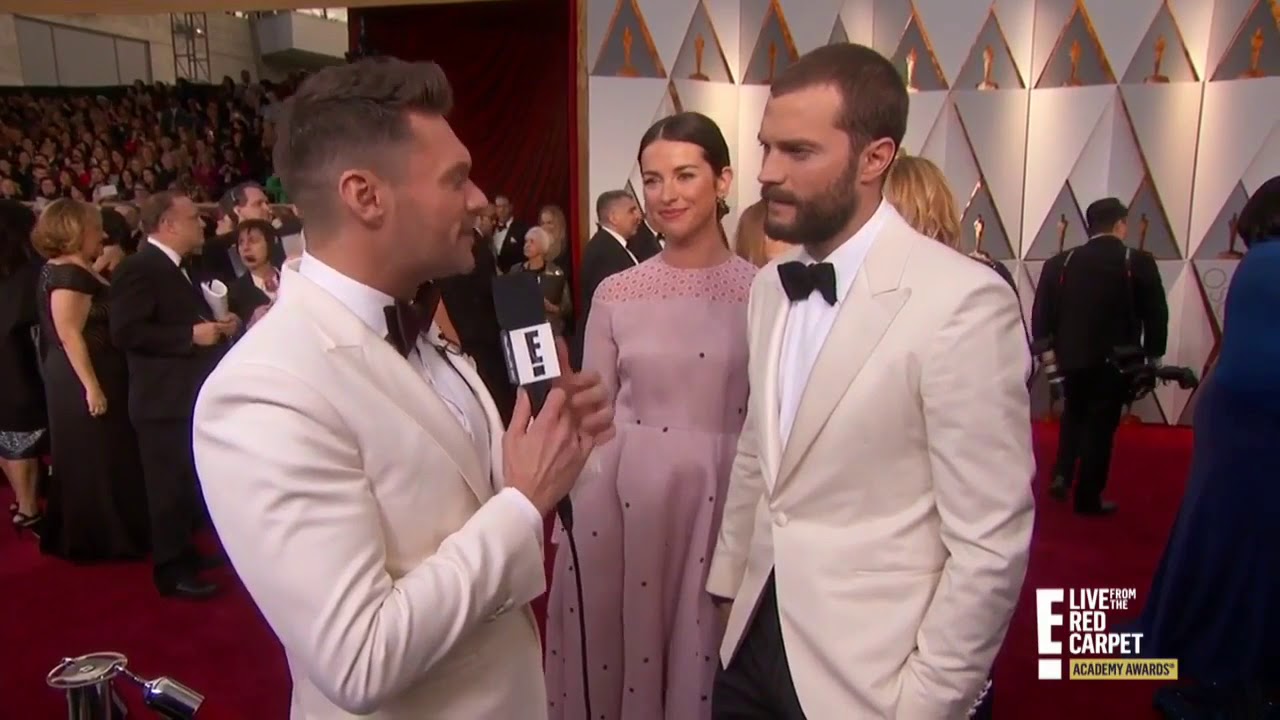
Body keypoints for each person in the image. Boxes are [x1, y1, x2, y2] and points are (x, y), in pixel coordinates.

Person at [191, 57, 615, 719]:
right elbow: (359, 660)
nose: (479, 199)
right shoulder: (262, 389)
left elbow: (458, 501)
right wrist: (524, 502)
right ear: (365, 195)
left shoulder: (419, 326)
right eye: (456, 179)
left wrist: (550, 451)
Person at [706, 43, 1034, 719]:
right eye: (766, 148)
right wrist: (728, 590)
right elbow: (756, 454)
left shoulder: (961, 302)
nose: (767, 173)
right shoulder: (770, 286)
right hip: (753, 646)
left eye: (798, 152)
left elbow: (990, 540)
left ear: (875, 157)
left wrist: (929, 701)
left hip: (871, 676)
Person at [545, 111, 756, 719]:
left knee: (704, 656)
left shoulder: (762, 290)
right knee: (618, 659)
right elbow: (596, 414)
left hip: (719, 497)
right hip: (620, 499)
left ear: (723, 181)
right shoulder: (617, 292)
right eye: (652, 180)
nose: (666, 195)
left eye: (684, 175)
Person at [1137, 176, 1280, 720]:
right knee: (1253, 546)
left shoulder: (1257, 264)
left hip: (1238, 419)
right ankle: (1236, 669)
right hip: (1261, 423)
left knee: (1226, 534)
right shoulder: (1272, 266)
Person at [109, 191, 239, 600]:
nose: (201, 224)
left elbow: (181, 317)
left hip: (186, 395)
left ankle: (186, 553)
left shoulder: (184, 267)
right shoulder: (138, 267)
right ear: (167, 225)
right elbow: (126, 332)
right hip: (161, 401)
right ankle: (171, 570)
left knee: (186, 484)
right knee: (167, 488)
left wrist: (218, 324)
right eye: (192, 218)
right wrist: (189, 335)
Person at [1031, 197, 1168, 515]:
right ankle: (1088, 497)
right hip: (1116, 362)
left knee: (1073, 414)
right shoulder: (1138, 261)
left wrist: (1049, 360)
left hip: (1070, 359)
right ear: (1121, 225)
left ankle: (1062, 473)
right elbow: (1156, 314)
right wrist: (1153, 359)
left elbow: (1042, 316)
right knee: (1101, 428)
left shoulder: (1059, 263)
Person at [33, 199, 149, 560]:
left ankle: (102, 532)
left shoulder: (69, 267)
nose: (100, 233)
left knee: (100, 454)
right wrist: (93, 388)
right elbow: (70, 333)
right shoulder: (69, 275)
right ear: (76, 231)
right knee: (96, 456)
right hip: (83, 378)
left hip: (79, 374)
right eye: (94, 227)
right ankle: (100, 538)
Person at [0, 200, 45, 532]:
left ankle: (22, 499)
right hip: (18, 365)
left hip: (11, 362)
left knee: (8, 436)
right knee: (18, 435)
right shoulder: (31, 273)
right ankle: (28, 506)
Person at [572, 190, 644, 368]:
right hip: (606, 352)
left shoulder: (611, 246)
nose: (638, 216)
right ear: (613, 217)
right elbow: (613, 305)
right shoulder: (604, 251)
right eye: (631, 210)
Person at [512, 226, 572, 336]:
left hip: (549, 332)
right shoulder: (515, 271)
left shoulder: (556, 273)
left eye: (532, 242)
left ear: (543, 246)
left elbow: (567, 308)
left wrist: (551, 308)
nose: (527, 245)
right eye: (526, 242)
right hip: (520, 330)